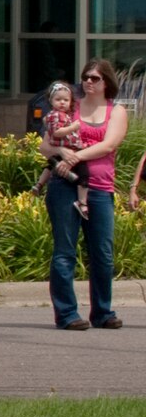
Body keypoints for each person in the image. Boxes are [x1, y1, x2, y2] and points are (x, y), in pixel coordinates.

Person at [43, 59, 127, 330]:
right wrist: (60, 153)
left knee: (102, 253)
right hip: (65, 184)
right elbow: (46, 145)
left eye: (95, 78)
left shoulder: (116, 110)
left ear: (106, 82)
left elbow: (109, 145)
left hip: (100, 187)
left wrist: (75, 155)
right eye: (86, 78)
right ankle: (67, 314)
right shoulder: (69, 108)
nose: (89, 82)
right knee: (64, 251)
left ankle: (102, 312)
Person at [40, 81, 90, 219]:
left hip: (99, 183)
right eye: (58, 99)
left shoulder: (65, 116)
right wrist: (62, 150)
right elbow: (44, 146)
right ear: (51, 101)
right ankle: (81, 201)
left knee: (51, 165)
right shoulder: (57, 116)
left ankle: (39, 184)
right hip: (64, 180)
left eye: (65, 100)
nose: (62, 102)